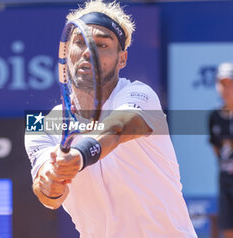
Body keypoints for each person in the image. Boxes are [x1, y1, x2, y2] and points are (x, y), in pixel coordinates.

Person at [25, 0, 197, 237]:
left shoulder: (141, 96)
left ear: (122, 59)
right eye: (79, 42)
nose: (88, 52)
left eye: (102, 44)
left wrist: (79, 155)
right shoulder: (40, 125)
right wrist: (51, 184)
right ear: (67, 54)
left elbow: (117, 128)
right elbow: (49, 197)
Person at [209, 62, 233, 238]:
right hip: (225, 180)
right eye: (221, 84)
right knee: (227, 228)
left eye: (229, 84)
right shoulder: (214, 116)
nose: (225, 89)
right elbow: (216, 148)